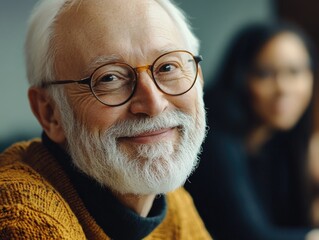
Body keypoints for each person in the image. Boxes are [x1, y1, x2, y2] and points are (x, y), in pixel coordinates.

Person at [0, 0, 211, 239]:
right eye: (109, 78)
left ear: (198, 79)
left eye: (167, 68)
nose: (153, 104)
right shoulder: (22, 217)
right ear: (50, 113)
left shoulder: (169, 201)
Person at [185, 21, 319, 240]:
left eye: (295, 72)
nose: (283, 88)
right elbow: (248, 235)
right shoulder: (213, 140)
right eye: (265, 74)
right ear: (241, 77)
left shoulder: (280, 140)